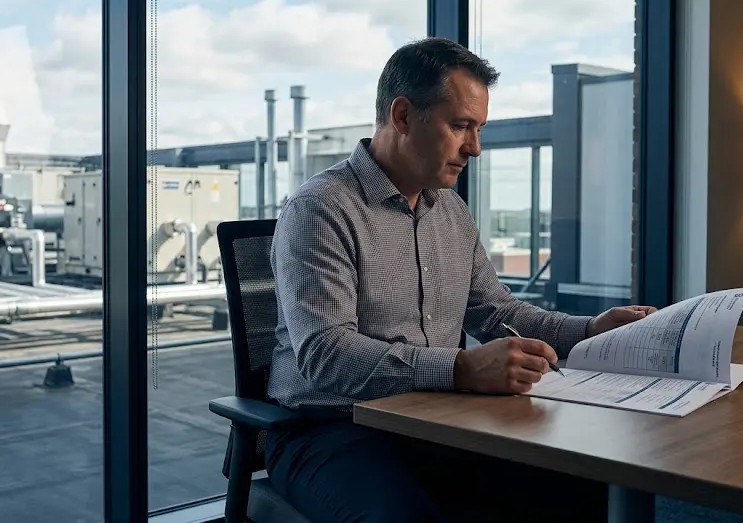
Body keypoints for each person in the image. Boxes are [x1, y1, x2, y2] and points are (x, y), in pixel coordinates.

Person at [264, 37, 657, 522]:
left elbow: (498, 313)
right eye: (461, 126)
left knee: (585, 489)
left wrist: (593, 330)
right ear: (403, 116)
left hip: (437, 421)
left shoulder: (449, 210)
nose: (475, 148)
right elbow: (326, 355)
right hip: (330, 429)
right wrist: (462, 369)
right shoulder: (321, 208)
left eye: (479, 129)